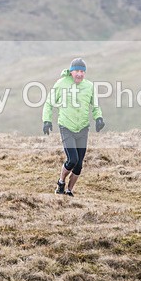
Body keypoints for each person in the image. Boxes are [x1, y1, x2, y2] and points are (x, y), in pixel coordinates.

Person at [42, 57, 105, 197]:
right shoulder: (61, 84)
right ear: (71, 72)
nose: (79, 74)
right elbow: (49, 103)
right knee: (72, 160)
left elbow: (95, 106)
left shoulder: (89, 86)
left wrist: (98, 118)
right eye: (76, 71)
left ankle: (69, 191)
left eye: (82, 71)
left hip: (83, 128)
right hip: (66, 126)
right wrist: (47, 120)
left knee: (79, 165)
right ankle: (61, 183)